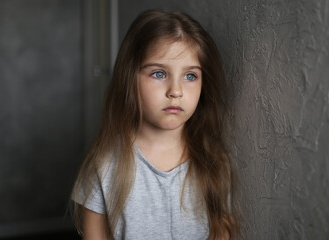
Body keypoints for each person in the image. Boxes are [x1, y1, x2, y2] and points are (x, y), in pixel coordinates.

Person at [72, 9, 238, 240]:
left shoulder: (213, 161)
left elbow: (223, 231)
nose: (176, 91)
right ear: (129, 77)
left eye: (190, 76)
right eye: (159, 73)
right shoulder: (104, 164)